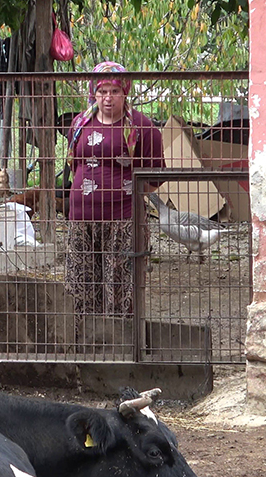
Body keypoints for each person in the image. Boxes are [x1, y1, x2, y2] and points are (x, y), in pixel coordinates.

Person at [65, 61, 165, 324]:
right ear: (93, 93)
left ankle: (120, 349)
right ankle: (84, 347)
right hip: (81, 220)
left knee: (121, 288)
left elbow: (155, 178)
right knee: (81, 286)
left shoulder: (143, 128)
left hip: (123, 221)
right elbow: (75, 165)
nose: (108, 98)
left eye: (115, 91)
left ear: (125, 93)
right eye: (102, 91)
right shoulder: (79, 124)